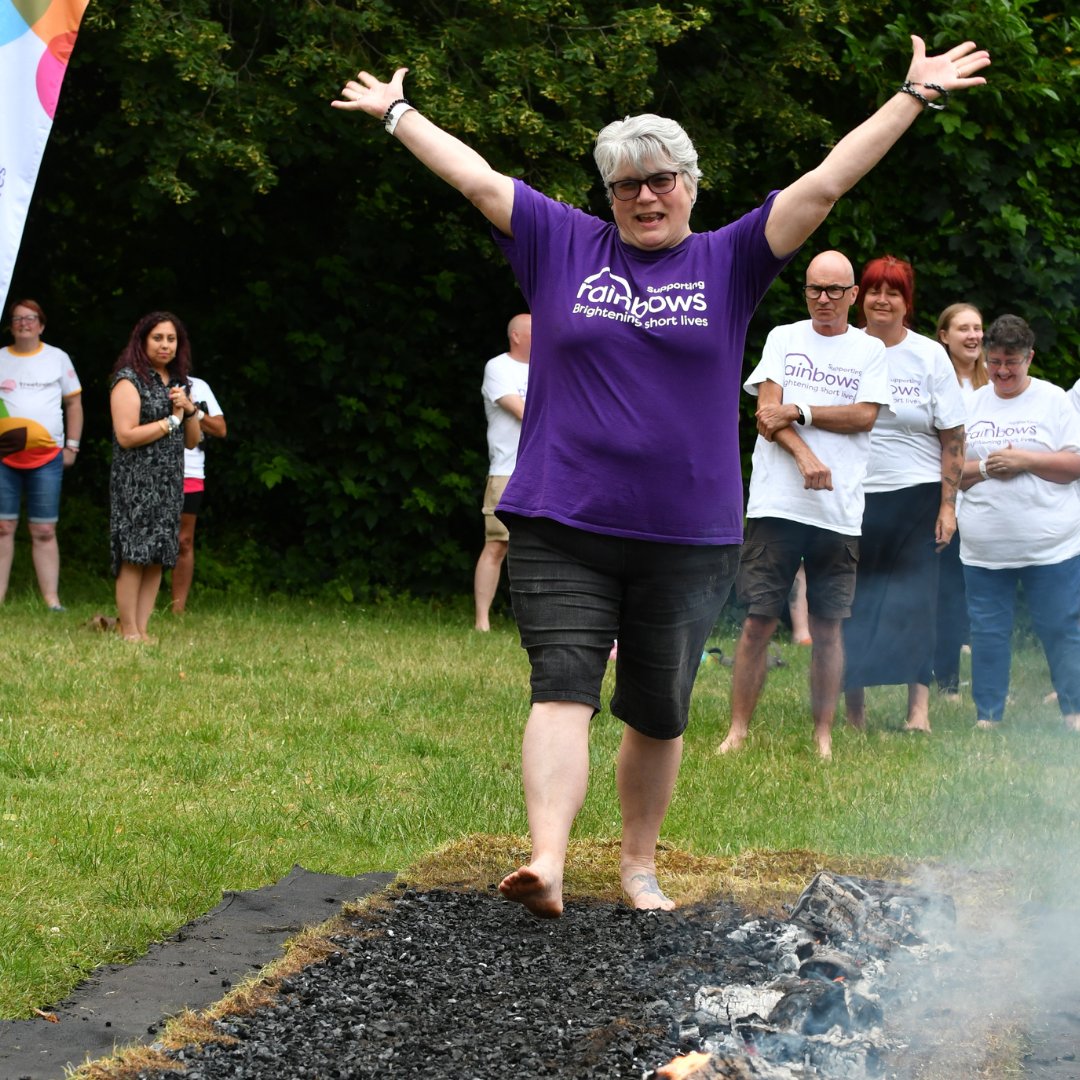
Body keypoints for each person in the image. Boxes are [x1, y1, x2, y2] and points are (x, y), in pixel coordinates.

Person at [332, 36, 989, 916]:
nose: (645, 195)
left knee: (657, 709)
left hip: (686, 532)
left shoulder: (731, 260)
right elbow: (477, 180)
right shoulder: (561, 244)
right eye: (625, 184)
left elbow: (827, 183)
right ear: (606, 196)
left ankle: (639, 865)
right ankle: (549, 860)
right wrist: (399, 114)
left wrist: (913, 95)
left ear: (690, 182)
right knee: (562, 685)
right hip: (563, 518)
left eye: (661, 179)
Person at [718, 250, 891, 760]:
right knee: (758, 621)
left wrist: (804, 410)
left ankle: (822, 735)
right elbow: (766, 415)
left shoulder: (869, 351)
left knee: (828, 626)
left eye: (836, 290)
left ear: (853, 295)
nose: (824, 299)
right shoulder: (784, 338)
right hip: (777, 504)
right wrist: (805, 454)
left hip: (838, 509)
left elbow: (864, 416)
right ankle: (738, 731)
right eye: (815, 289)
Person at [841, 257, 967, 733]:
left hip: (917, 496)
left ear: (906, 302)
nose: (882, 300)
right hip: (854, 496)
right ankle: (855, 713)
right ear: (860, 297)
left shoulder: (929, 356)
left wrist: (948, 506)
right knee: (855, 602)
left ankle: (919, 712)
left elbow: (953, 436)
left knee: (917, 603)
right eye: (874, 290)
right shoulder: (845, 351)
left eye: (893, 292)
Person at [959, 314, 1080, 732]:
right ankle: (987, 716)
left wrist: (1025, 460)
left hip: (1052, 546)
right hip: (984, 549)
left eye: (1012, 362)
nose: (1003, 372)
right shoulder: (971, 404)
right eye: (995, 363)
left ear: (1030, 357)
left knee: (1061, 627)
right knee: (989, 632)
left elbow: (1074, 464)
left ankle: (1074, 712)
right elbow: (951, 471)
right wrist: (992, 469)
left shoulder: (1053, 401)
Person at [109, 312, 201, 642]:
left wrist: (189, 411)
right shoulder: (129, 379)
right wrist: (171, 421)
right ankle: (128, 631)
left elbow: (192, 440)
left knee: (157, 556)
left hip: (169, 482)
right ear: (143, 341)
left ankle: (143, 630)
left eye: (171, 339)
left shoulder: (179, 383)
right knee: (134, 554)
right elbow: (126, 435)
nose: (165, 345)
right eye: (158, 338)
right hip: (135, 481)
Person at [0, 299, 83, 610]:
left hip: (47, 457)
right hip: (3, 457)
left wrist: (72, 446)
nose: (24, 323)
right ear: (10, 325)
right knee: (3, 527)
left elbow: (74, 405)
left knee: (45, 529)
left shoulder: (57, 358)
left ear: (42, 324)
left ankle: (51, 600)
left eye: (30, 318)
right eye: (18, 319)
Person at [931, 302, 986, 700]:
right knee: (948, 594)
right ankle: (946, 681)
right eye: (963, 328)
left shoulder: (995, 384)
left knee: (980, 598)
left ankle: (986, 678)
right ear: (944, 336)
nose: (973, 335)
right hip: (948, 503)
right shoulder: (936, 379)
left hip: (990, 508)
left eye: (977, 328)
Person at [473, 314, 531, 631]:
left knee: (544, 549)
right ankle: (482, 622)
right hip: (507, 470)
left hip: (545, 469)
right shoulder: (498, 368)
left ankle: (531, 621)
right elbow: (525, 412)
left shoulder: (549, 366)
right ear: (516, 336)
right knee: (497, 544)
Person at [170, 373, 227, 614]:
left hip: (191, 471)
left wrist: (194, 410)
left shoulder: (199, 386)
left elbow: (221, 428)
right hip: (154, 471)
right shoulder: (145, 382)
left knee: (184, 541)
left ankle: (177, 609)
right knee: (153, 537)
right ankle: (141, 604)